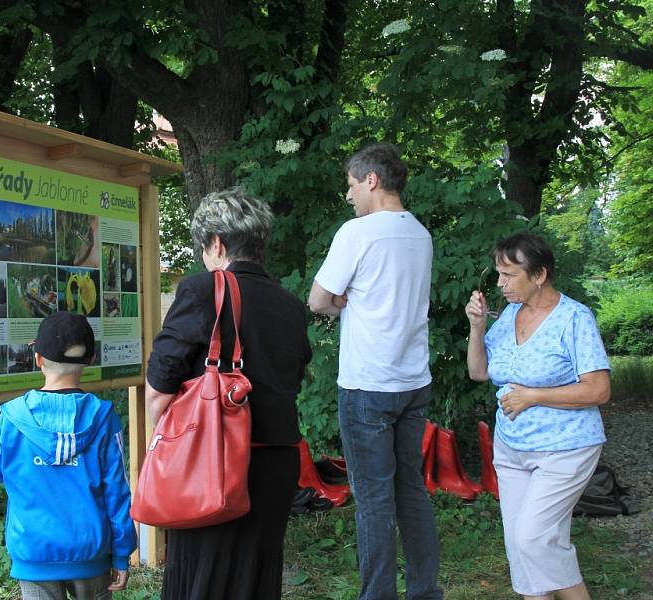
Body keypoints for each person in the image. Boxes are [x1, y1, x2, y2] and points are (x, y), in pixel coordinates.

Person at [145, 187, 312, 600]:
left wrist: (172, 440)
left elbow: (160, 386)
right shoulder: (290, 304)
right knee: (255, 575)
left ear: (216, 244)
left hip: (213, 459)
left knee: (203, 575)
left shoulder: (204, 289)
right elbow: (294, 374)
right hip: (276, 461)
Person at [309, 143, 442, 600]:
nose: (348, 195)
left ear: (371, 181)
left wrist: (343, 301)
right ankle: (425, 592)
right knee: (411, 490)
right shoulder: (420, 234)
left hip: (368, 385)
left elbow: (317, 299)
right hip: (412, 381)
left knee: (373, 500)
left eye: (350, 183)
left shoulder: (357, 233)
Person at [0, 311, 136, 600]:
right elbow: (118, 493)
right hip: (91, 556)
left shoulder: (12, 419)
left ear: (38, 358)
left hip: (34, 555)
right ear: (91, 360)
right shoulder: (104, 419)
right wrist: (121, 554)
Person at [465, 232, 611, 600]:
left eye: (509, 275)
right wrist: (477, 327)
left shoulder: (574, 319)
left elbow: (598, 390)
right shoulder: (510, 315)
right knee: (520, 545)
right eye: (498, 274)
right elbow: (480, 372)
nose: (500, 284)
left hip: (566, 448)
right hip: (512, 447)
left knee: (533, 539)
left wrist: (533, 396)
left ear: (539, 274)